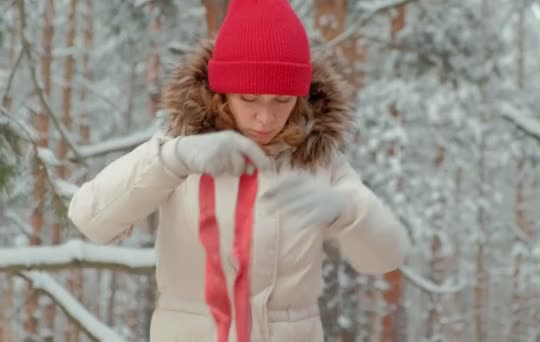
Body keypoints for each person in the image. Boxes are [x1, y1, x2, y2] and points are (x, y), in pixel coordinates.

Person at [67, 0, 409, 340]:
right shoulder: (182, 146)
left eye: (282, 100)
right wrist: (172, 159)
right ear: (222, 92)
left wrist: (349, 211)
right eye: (249, 98)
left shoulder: (320, 161)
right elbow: (90, 219)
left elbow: (386, 258)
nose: (266, 117)